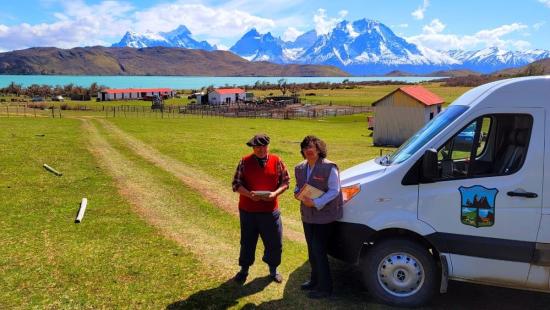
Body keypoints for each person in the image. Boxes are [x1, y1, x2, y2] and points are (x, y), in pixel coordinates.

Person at [232, 133, 290, 284]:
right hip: (248, 211)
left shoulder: (277, 161)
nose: (261, 149)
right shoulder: (244, 161)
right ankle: (244, 270)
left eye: (263, 146)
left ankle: (273, 270)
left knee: (274, 242)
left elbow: (286, 182)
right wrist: (249, 194)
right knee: (247, 242)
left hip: (270, 212)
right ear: (253, 148)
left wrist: (275, 193)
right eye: (257, 147)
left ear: (268, 146)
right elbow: (236, 184)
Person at [294, 135, 343, 299]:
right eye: (305, 148)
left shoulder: (330, 167)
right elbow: (298, 186)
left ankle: (325, 288)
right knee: (311, 250)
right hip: (307, 216)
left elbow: (335, 191)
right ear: (302, 150)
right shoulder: (300, 168)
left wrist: (316, 202)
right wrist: (297, 193)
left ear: (318, 149)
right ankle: (314, 281)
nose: (308, 150)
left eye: (312, 147)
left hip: (325, 217)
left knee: (318, 250)